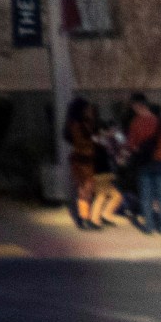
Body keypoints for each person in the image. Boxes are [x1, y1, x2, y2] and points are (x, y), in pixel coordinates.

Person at [129, 98, 161, 236]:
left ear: (139, 107)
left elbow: (131, 145)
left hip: (144, 163)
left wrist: (138, 151)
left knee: (146, 197)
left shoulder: (136, 123)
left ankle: (149, 227)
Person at [64, 98, 110, 231]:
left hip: (78, 159)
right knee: (86, 190)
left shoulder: (71, 124)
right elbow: (89, 140)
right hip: (85, 160)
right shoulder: (82, 124)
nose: (89, 110)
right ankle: (85, 218)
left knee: (82, 189)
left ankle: (83, 217)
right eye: (87, 108)